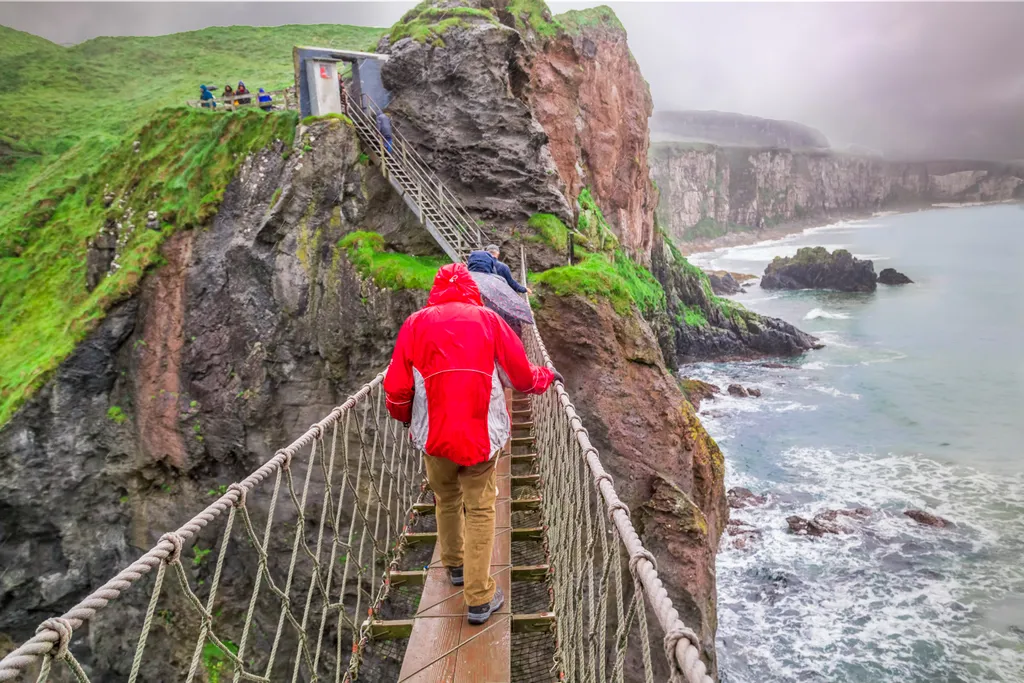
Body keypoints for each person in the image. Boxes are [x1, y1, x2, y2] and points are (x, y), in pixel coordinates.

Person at [384, 263, 562, 625]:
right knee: (480, 508)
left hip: (434, 437)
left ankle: (455, 567)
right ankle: (479, 597)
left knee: (446, 499)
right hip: (480, 435)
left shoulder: (415, 323)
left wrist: (405, 418)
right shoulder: (489, 320)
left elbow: (397, 387)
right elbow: (521, 376)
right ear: (471, 289)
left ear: (436, 290)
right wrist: (547, 378)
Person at [467, 245, 531, 295]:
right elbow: (511, 283)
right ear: (498, 254)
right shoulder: (503, 267)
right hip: (497, 296)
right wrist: (524, 289)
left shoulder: (474, 267)